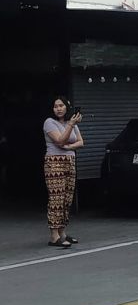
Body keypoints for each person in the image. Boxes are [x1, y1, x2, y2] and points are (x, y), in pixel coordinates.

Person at [43, 96, 83, 248]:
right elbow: (59, 140)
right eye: (55, 106)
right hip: (54, 163)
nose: (58, 109)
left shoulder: (70, 123)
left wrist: (69, 147)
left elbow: (81, 142)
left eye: (61, 105)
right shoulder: (49, 122)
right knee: (56, 199)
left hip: (70, 162)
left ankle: (63, 233)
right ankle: (54, 236)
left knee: (67, 199)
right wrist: (71, 125)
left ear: (67, 107)